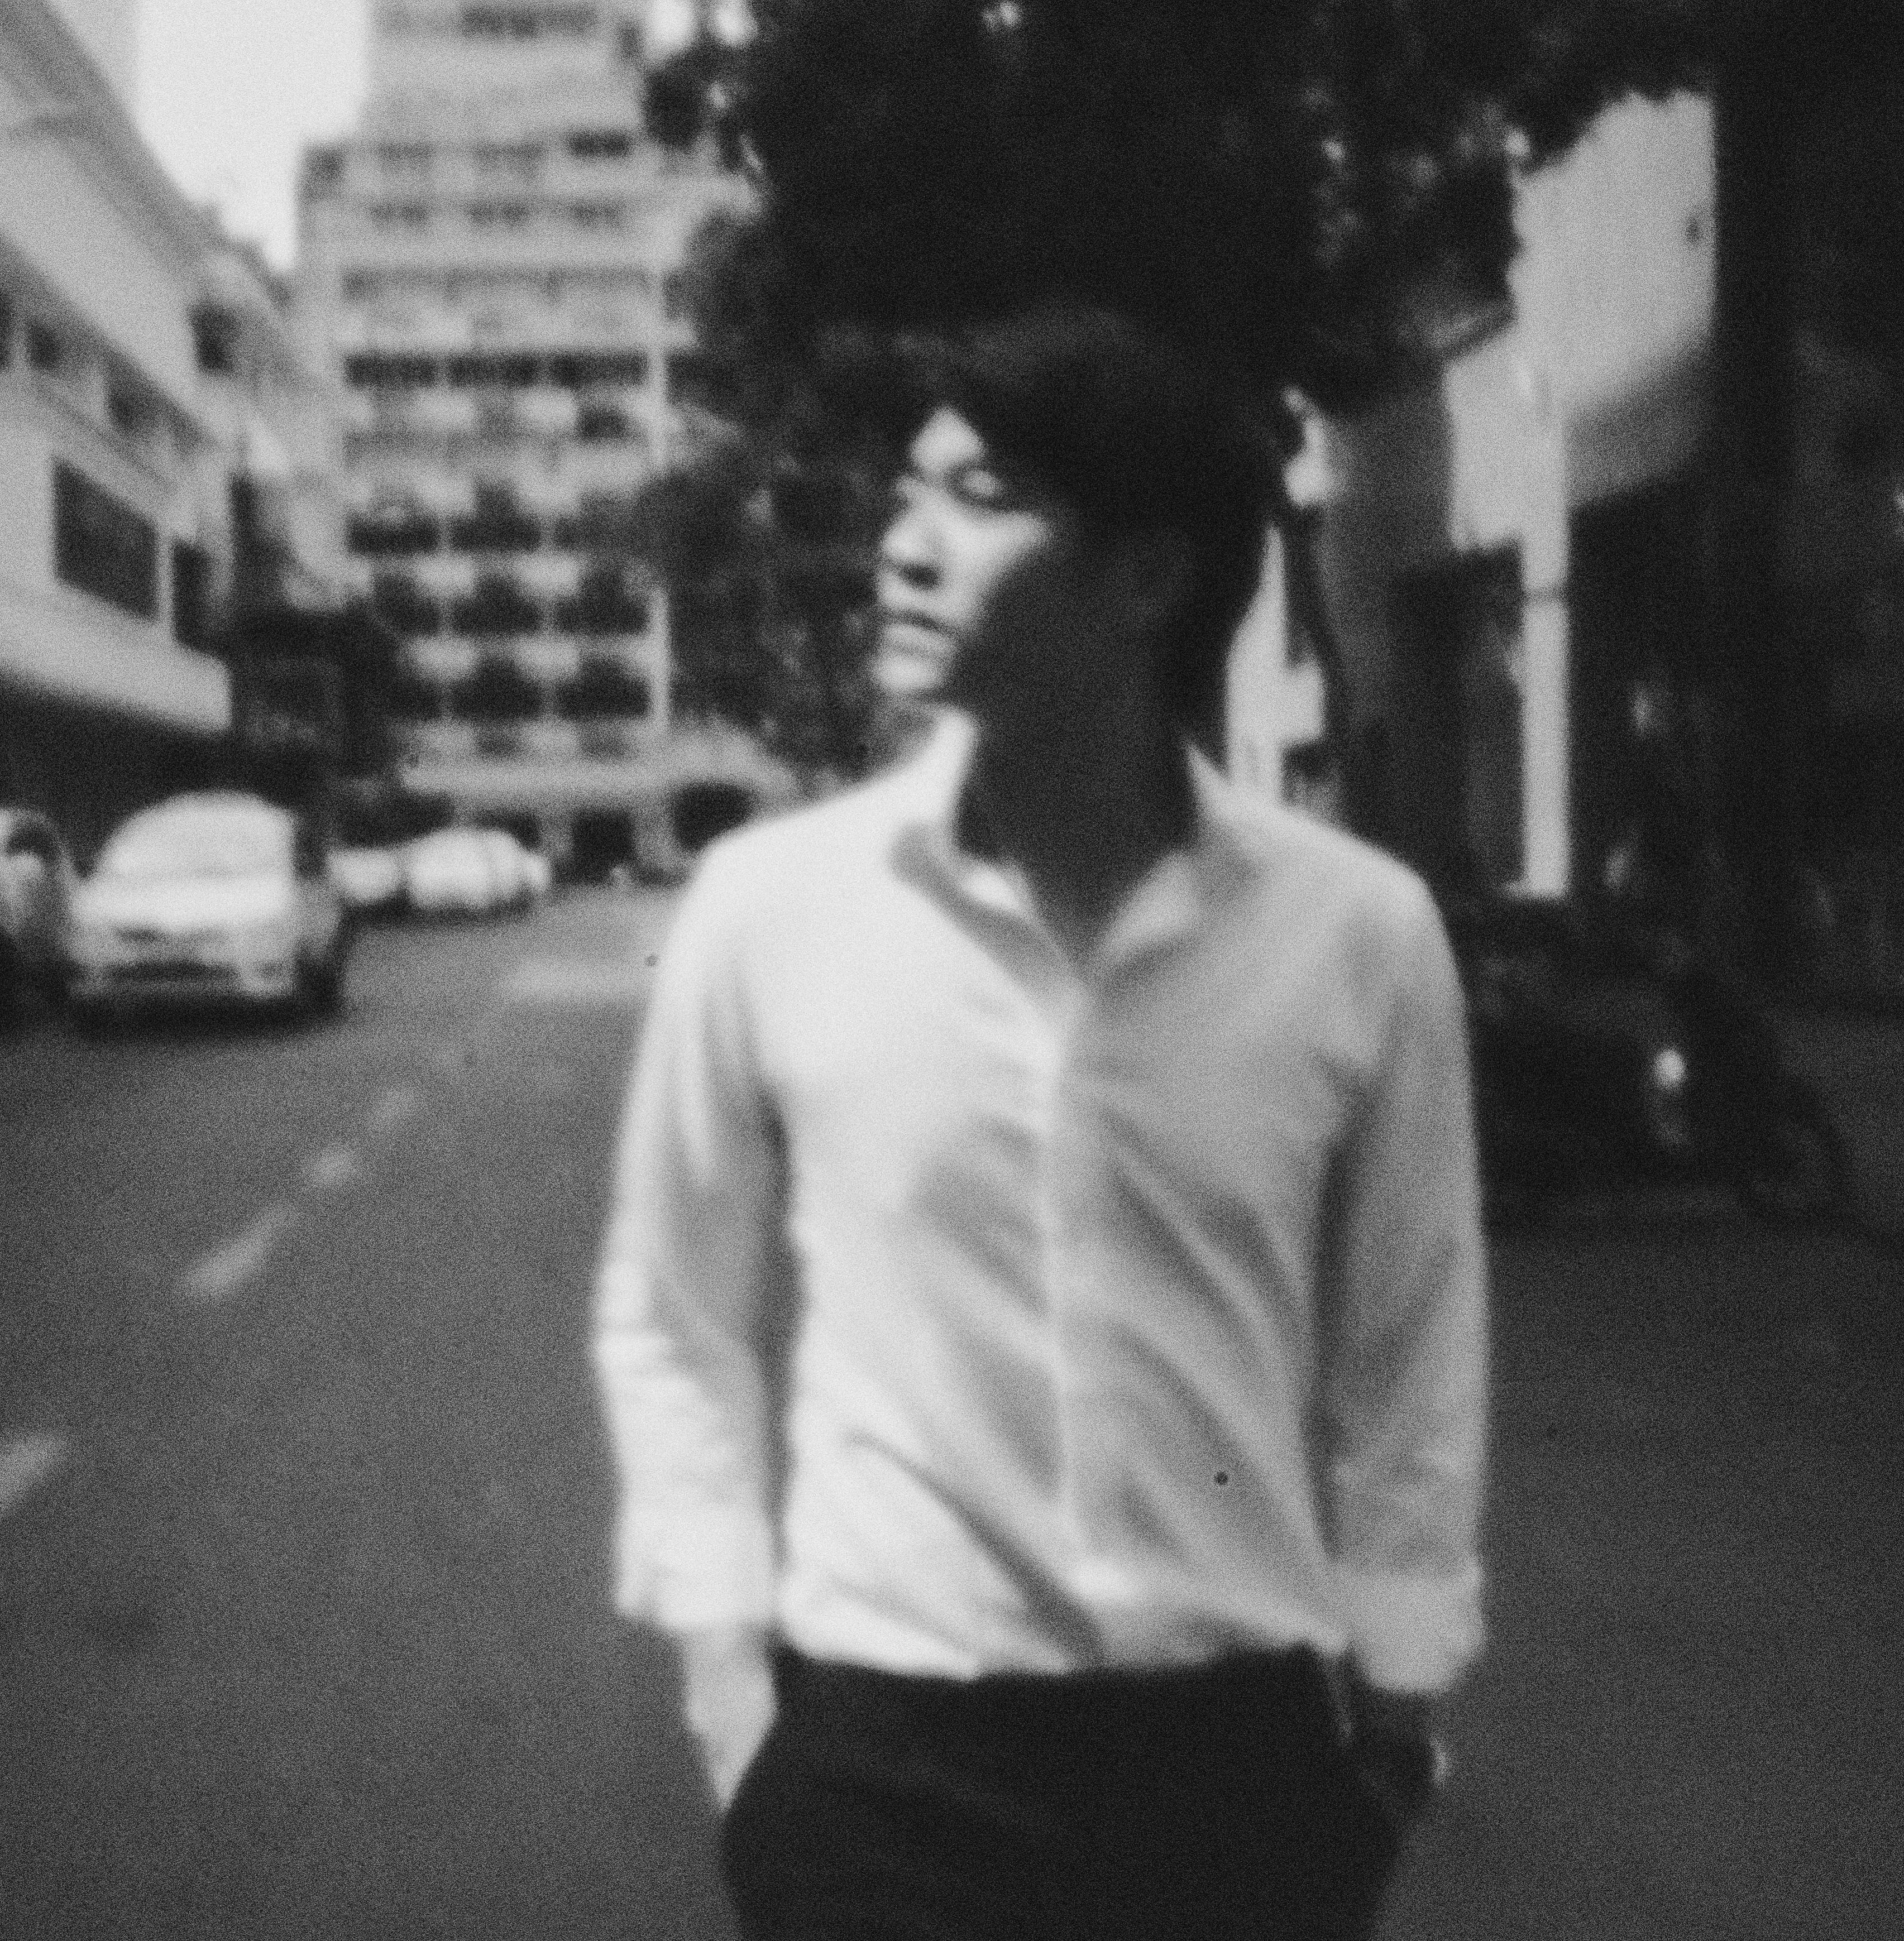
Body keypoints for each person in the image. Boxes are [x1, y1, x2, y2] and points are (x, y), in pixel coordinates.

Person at [590, 304, 1486, 1939]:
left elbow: (1408, 1344)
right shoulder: (765, 907)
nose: (904, 544)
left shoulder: (1357, 934)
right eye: (909, 489)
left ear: (1147, 579)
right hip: (885, 1763)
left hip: (1240, 1759)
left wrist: (1400, 1708)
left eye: (981, 497)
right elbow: (673, 1317)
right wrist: (732, 1690)